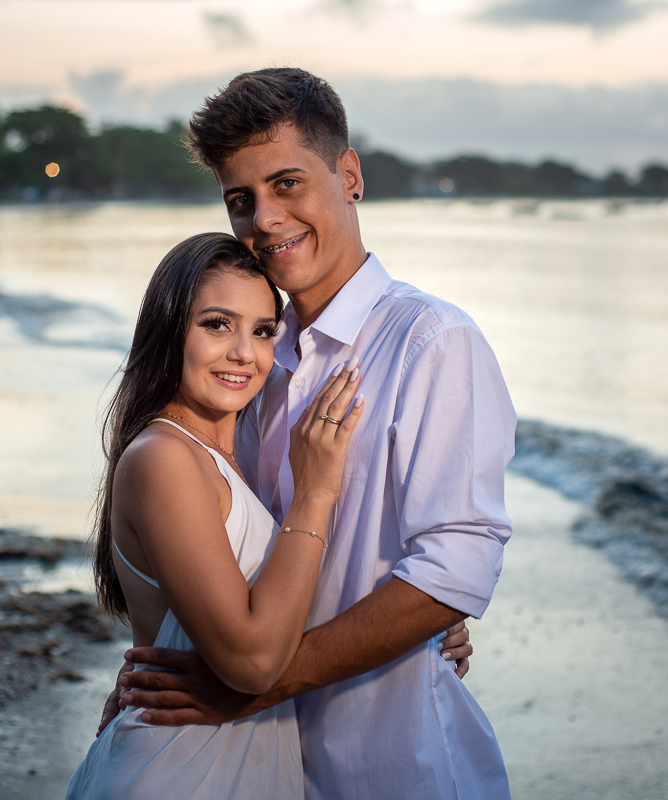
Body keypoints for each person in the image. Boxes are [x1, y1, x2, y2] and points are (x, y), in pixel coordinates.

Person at [109, 68, 516, 799]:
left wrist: (256, 684)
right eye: (242, 199)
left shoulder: (432, 342)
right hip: (261, 768)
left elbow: (455, 567)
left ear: (349, 175)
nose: (264, 218)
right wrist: (167, 656)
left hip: (391, 763)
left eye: (287, 183)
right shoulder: (252, 363)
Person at [66, 232, 365, 798]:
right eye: (217, 324)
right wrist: (314, 495)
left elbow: (280, 594)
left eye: (262, 331)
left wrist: (417, 621)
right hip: (177, 773)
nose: (244, 354)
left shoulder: (234, 458)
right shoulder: (164, 458)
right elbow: (251, 663)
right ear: (169, 329)